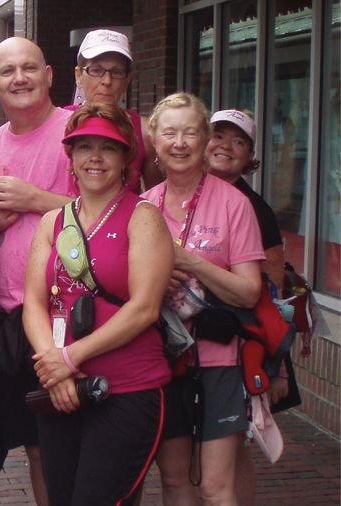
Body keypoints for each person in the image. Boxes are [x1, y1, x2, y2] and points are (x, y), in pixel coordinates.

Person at [22, 102, 173, 505]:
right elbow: (33, 304)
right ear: (69, 156)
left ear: (126, 158)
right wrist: (55, 368)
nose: (94, 157)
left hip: (126, 391)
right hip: (63, 392)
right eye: (83, 146)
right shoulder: (53, 221)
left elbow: (144, 308)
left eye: (108, 147)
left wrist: (68, 359)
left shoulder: (143, 217)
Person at [143, 93, 265, 506]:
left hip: (219, 362)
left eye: (190, 132)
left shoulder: (235, 204)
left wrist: (189, 261)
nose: (179, 142)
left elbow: (250, 290)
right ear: (154, 140)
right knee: (175, 480)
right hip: (161, 360)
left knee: (214, 487)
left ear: (204, 139)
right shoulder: (144, 206)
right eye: (169, 132)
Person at [0, 36, 79, 505]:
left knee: (84, 439)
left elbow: (113, 213)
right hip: (19, 317)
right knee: (39, 446)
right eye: (9, 71)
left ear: (50, 74)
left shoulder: (76, 131)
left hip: (77, 315)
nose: (20, 78)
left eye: (29, 67)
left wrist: (34, 200)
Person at [205, 109, 288, 506]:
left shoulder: (256, 211)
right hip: (195, 346)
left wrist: (276, 367)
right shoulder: (191, 194)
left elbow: (272, 296)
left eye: (238, 141)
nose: (225, 146)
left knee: (231, 451)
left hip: (240, 349)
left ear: (249, 156)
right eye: (218, 135)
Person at [69, 29, 161, 192]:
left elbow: (155, 197)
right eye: (96, 71)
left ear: (127, 80)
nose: (106, 81)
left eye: (117, 72)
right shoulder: (60, 123)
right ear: (78, 76)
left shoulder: (144, 131)